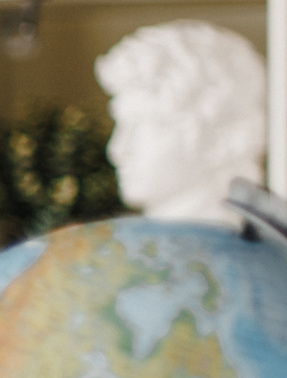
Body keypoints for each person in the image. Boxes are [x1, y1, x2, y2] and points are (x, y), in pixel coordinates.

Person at [94, 19, 267, 227]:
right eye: (121, 125)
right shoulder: (144, 247)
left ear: (214, 137)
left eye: (142, 127)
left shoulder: (221, 248)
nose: (116, 150)